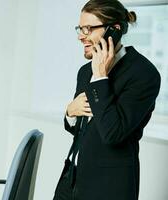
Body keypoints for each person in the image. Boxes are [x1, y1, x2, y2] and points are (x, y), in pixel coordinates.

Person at [53, 1, 161, 200]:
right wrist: (70, 113)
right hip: (70, 182)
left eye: (88, 29)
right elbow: (80, 130)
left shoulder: (144, 74)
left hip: (108, 189)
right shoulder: (85, 72)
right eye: (80, 28)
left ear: (114, 30)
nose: (80, 36)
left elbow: (113, 133)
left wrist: (101, 77)